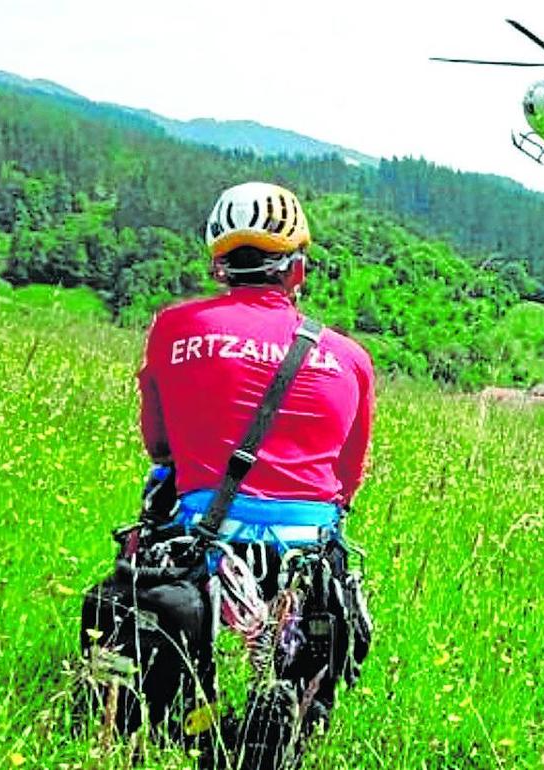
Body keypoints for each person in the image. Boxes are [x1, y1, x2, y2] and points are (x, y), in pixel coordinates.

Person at [136, 181, 375, 767]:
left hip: (204, 536)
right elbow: (348, 481)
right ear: (298, 272)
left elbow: (158, 444)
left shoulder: (174, 328)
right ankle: (296, 702)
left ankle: (191, 711)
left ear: (219, 265)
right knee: (329, 563)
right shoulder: (350, 358)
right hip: (308, 546)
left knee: (158, 498)